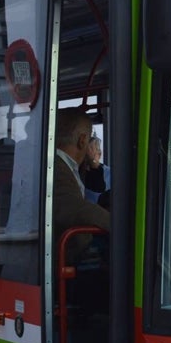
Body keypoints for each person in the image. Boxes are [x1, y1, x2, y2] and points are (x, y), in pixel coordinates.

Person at [55, 107, 110, 260]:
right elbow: (75, 207)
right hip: (71, 252)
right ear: (82, 140)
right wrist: (118, 224)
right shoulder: (57, 167)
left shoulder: (70, 166)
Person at [81, 135, 110, 205]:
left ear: (99, 154)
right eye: (86, 150)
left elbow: (99, 188)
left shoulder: (109, 173)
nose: (88, 152)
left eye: (91, 148)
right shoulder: (79, 171)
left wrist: (94, 162)